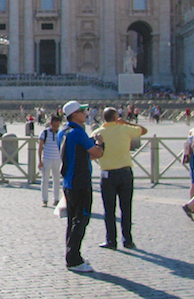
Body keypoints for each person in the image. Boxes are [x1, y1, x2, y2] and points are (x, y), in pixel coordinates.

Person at [58, 101, 103, 273]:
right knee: (81, 220)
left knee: (72, 222)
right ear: (74, 115)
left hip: (68, 182)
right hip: (81, 182)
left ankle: (72, 254)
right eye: (82, 111)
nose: (86, 113)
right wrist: (100, 142)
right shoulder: (78, 133)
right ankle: (74, 260)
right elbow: (97, 153)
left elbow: (75, 155)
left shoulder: (62, 132)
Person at [92, 108, 147, 249]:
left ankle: (111, 240)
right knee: (126, 208)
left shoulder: (97, 133)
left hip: (107, 173)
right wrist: (125, 122)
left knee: (109, 210)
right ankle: (127, 240)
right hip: (125, 172)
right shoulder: (125, 129)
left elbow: (91, 151)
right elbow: (143, 130)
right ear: (116, 117)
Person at [38, 114, 62, 207]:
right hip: (47, 158)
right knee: (45, 180)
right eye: (54, 126)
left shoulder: (60, 133)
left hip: (57, 158)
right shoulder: (44, 133)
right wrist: (40, 160)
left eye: (57, 126)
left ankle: (56, 199)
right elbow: (40, 147)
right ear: (50, 124)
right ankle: (44, 199)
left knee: (57, 180)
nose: (56, 128)